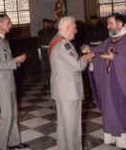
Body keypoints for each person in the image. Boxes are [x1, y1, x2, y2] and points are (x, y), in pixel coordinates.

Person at [83, 14, 126, 150]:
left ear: (120, 25)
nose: (108, 26)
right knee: (112, 110)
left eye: (111, 23)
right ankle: (118, 139)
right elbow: (99, 49)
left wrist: (115, 57)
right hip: (112, 84)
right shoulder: (110, 40)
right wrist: (90, 52)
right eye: (108, 24)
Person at [49, 16, 94, 150]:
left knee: (64, 127)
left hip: (62, 89)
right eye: (74, 28)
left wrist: (81, 55)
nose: (76, 31)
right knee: (73, 128)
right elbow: (77, 66)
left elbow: (66, 62)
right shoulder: (64, 43)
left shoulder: (56, 39)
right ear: (67, 28)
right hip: (69, 91)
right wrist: (87, 59)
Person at [0, 14, 28, 150]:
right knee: (6, 115)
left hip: (9, 82)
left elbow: (6, 62)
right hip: (2, 84)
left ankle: (14, 142)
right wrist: (15, 61)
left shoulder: (3, 40)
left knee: (13, 114)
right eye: (8, 22)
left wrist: (17, 62)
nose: (10, 25)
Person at [37, 19, 54, 87]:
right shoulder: (40, 32)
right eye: (43, 23)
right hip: (43, 50)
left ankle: (51, 81)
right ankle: (46, 81)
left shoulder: (53, 32)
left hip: (50, 50)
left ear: (48, 24)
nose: (44, 25)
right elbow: (38, 42)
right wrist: (39, 52)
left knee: (50, 66)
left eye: (45, 23)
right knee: (44, 67)